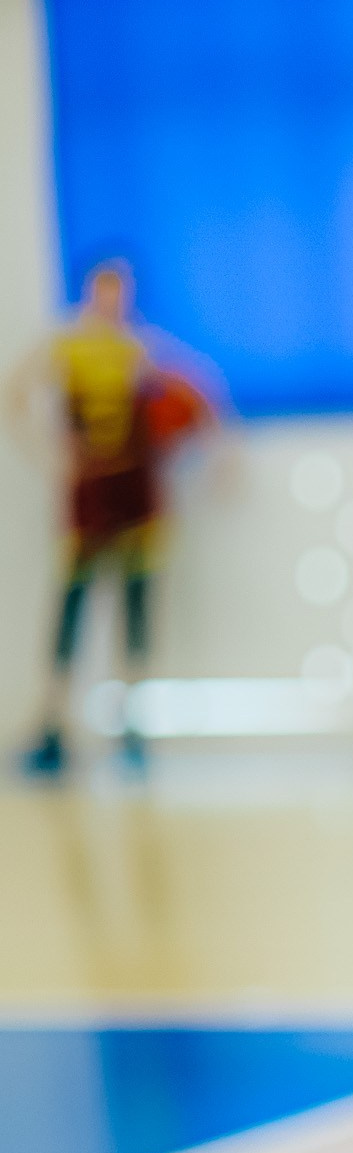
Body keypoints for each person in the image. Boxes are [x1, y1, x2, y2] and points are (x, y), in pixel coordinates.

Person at [5, 261, 216, 778]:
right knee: (71, 610)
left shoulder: (142, 348)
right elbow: (15, 392)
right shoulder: (68, 345)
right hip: (89, 498)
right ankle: (54, 725)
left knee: (135, 610)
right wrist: (48, 454)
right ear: (88, 291)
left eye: (119, 289)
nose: (111, 298)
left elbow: (201, 397)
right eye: (104, 288)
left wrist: (212, 454)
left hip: (136, 498)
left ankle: (133, 725)